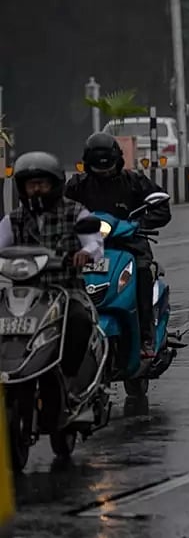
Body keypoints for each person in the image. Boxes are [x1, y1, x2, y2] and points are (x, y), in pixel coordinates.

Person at [66, 132, 172, 359]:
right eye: (98, 167)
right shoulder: (77, 186)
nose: (104, 172)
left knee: (143, 272)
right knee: (60, 274)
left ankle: (146, 336)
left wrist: (138, 224)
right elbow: (59, 210)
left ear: (118, 161)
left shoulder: (135, 182)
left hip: (129, 244)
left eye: (108, 166)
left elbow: (162, 207)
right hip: (86, 247)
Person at [0, 152, 104, 380]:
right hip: (23, 295)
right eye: (31, 185)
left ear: (54, 185)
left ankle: (69, 377)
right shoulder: (13, 219)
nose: (36, 190)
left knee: (79, 322)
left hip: (66, 291)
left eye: (42, 184)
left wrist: (84, 254)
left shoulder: (76, 212)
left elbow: (95, 244)